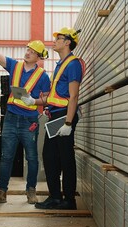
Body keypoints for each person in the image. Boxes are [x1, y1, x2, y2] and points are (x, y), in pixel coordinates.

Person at [0, 26, 51, 205]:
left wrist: (34, 101)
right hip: (11, 119)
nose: (28, 53)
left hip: (29, 122)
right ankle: (1, 192)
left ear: (38, 57)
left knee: (32, 158)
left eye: (32, 52)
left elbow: (47, 98)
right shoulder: (14, 66)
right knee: (7, 156)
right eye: (28, 49)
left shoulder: (43, 76)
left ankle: (31, 191)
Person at [25, 27, 84, 210]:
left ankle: (68, 200)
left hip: (64, 116)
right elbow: (53, 96)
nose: (55, 41)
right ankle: (56, 197)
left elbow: (73, 96)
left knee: (65, 158)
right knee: (51, 157)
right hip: (55, 115)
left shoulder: (73, 63)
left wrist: (68, 123)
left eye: (59, 38)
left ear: (68, 42)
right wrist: (33, 100)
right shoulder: (60, 65)